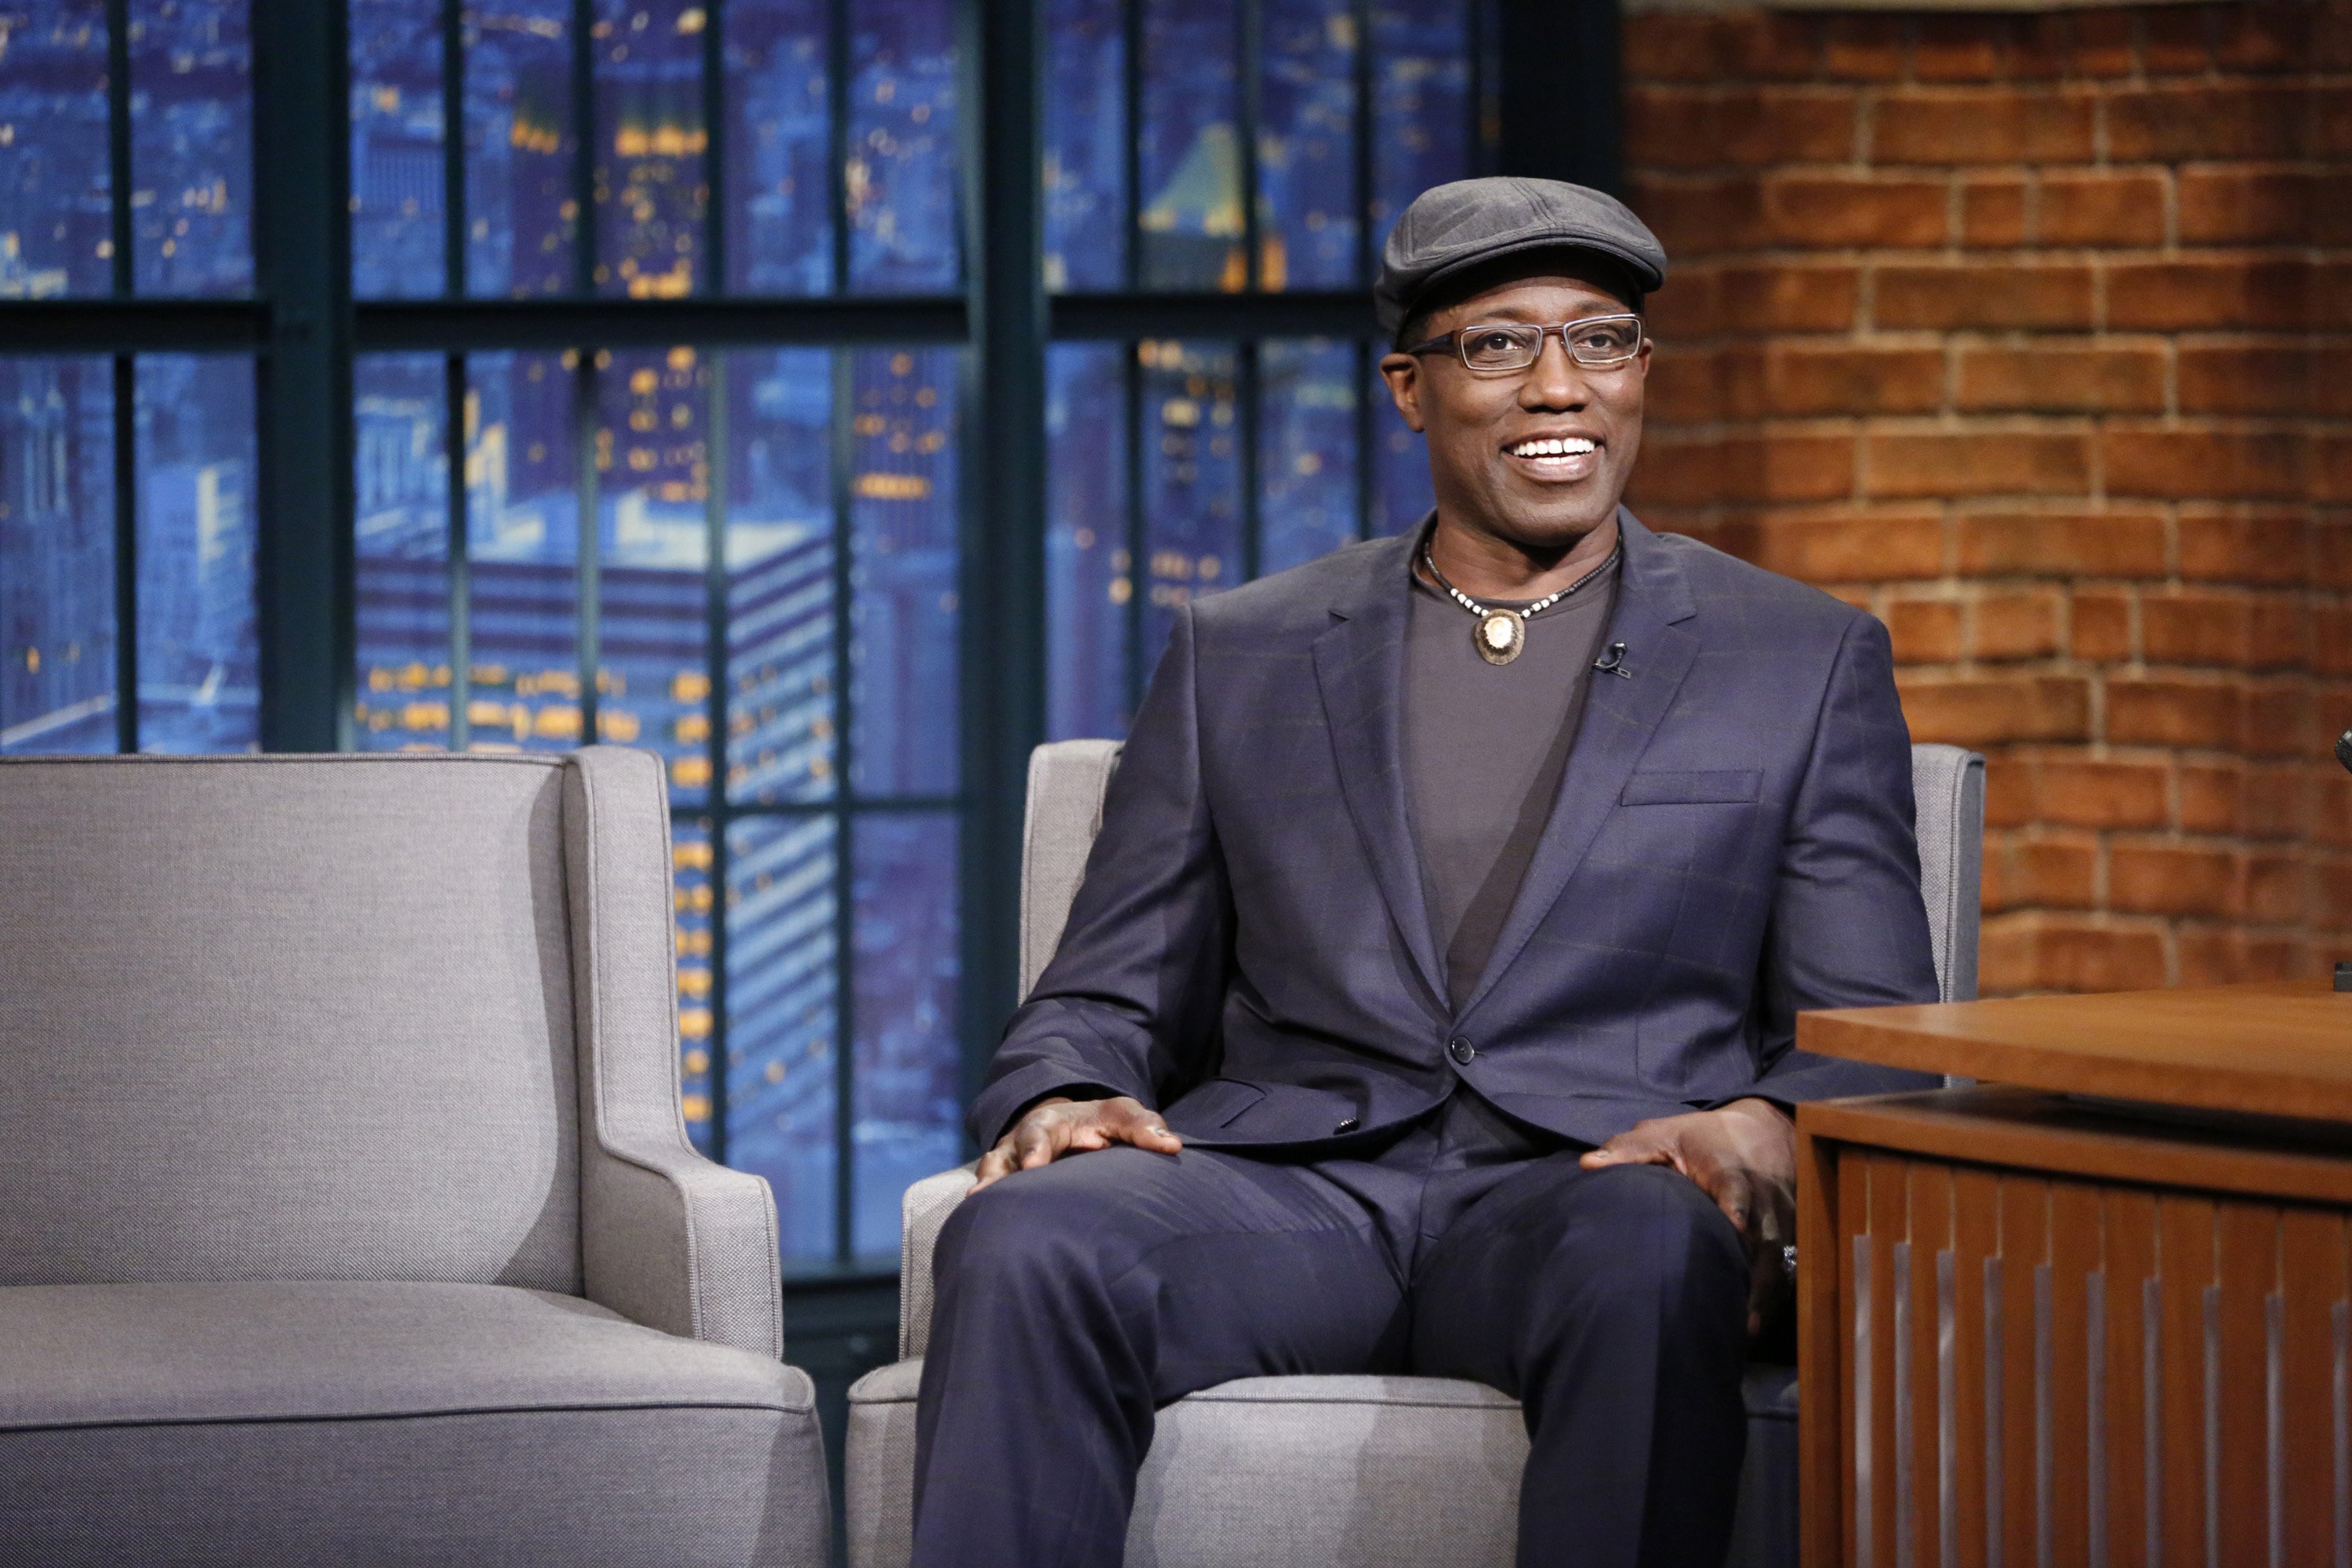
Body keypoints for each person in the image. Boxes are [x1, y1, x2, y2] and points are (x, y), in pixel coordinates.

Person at [911, 176, 1940, 1568]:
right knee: (1022, 1243)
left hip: (1589, 1194)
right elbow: (1106, 987)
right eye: (1500, 345)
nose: (1558, 388)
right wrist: (1066, 1091)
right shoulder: (1247, 649)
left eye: (1600, 339)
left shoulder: (1797, 657)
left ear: (1643, 372)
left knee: (1655, 1254)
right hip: (1294, 1194)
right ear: (1410, 389)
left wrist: (1766, 1123)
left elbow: (1869, 1033)